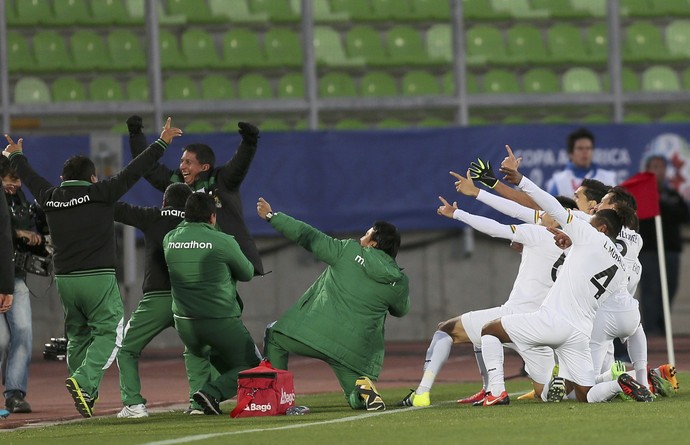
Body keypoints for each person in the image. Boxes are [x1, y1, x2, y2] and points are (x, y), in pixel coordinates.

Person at [3, 118, 183, 417]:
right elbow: (135, 170)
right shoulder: (102, 193)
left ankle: (85, 391)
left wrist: (16, 156)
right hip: (97, 277)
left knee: (78, 335)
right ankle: (84, 381)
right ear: (93, 177)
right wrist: (161, 143)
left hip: (65, 281)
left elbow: (31, 178)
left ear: (62, 178)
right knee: (111, 333)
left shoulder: (50, 196)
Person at [478, 146, 652, 405]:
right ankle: (620, 381)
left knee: (490, 330)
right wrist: (569, 241)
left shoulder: (588, 233)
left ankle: (496, 392)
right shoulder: (624, 255)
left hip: (556, 321)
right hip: (584, 331)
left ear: (602, 224)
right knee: (586, 395)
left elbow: (551, 206)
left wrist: (521, 181)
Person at [400, 170, 577, 407]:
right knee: (544, 392)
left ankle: (423, 393)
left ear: (555, 217)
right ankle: (609, 380)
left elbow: (496, 227)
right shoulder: (578, 246)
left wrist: (457, 213)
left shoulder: (538, 233)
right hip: (543, 326)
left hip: (514, 316)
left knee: (446, 329)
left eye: (544, 212)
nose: (539, 216)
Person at [257, 197, 410, 411]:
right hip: (354, 351)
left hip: (316, 333)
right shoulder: (399, 280)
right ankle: (362, 392)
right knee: (354, 398)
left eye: (367, 234)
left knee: (274, 336)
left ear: (374, 243)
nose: (361, 237)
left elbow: (308, 236)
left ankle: (281, 401)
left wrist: (273, 217)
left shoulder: (347, 251)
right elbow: (401, 310)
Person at [114, 183, 215, 418]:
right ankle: (198, 404)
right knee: (197, 350)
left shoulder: (153, 216)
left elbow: (117, 209)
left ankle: (134, 405)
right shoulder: (198, 223)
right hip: (189, 299)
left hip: (156, 299)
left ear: (164, 203)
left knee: (127, 349)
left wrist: (93, 192)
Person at [127, 116, 264, 276]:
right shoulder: (175, 182)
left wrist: (249, 142)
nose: (182, 166)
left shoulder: (222, 181)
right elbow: (148, 168)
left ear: (204, 167)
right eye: (181, 161)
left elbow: (239, 165)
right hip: (187, 259)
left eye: (188, 162)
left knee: (221, 296)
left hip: (221, 259)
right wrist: (136, 135)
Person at [163, 192, 260, 415]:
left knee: (203, 357)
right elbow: (246, 273)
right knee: (255, 368)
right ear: (212, 217)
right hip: (220, 322)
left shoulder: (169, 239)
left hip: (185, 324)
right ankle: (211, 393)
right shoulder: (223, 241)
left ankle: (198, 403)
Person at [0, 158, 50, 413]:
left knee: (22, 332)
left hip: (15, 276)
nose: (15, 185)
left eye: (18, 180)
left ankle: (15, 394)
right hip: (3, 277)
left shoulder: (22, 203)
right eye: (10, 180)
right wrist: (18, 234)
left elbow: (32, 232)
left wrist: (38, 239)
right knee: (1, 339)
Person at [638, 155, 690, 336]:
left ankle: (662, 327)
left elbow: (683, 216)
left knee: (669, 288)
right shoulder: (639, 196)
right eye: (654, 167)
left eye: (661, 167)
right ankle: (651, 331)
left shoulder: (672, 195)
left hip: (670, 251)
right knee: (650, 290)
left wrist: (662, 205)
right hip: (648, 251)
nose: (657, 171)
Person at [546, 128, 617, 198]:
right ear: (570, 153)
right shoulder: (559, 182)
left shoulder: (608, 179)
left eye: (588, 148)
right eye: (580, 148)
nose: (585, 152)